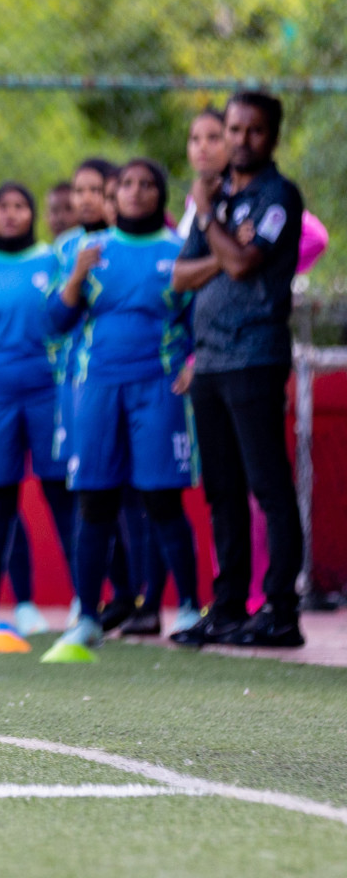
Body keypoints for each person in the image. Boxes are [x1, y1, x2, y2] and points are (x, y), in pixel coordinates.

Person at [43, 159, 202, 657]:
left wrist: (195, 362)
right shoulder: (89, 252)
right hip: (97, 389)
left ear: (160, 194)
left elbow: (202, 318)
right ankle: (87, 615)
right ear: (115, 195)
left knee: (161, 500)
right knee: (94, 500)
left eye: (146, 184)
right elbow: (55, 321)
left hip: (158, 388)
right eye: (126, 185)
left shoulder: (179, 252)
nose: (135, 192)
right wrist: (74, 279)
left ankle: (193, 608)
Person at [172, 91, 306, 648]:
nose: (241, 140)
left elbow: (247, 265)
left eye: (253, 131)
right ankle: (226, 608)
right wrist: (222, 249)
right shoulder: (224, 198)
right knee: (221, 488)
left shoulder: (278, 196)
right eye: (233, 129)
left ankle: (280, 611)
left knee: (267, 486)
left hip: (255, 357)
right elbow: (181, 275)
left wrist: (210, 222)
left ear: (272, 137)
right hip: (210, 362)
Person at [0, 183, 72, 638]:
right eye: (2, 207)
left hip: (48, 394)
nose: (10, 214)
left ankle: (83, 604)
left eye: (20, 206)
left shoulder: (54, 260)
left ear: (33, 212)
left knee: (61, 497)